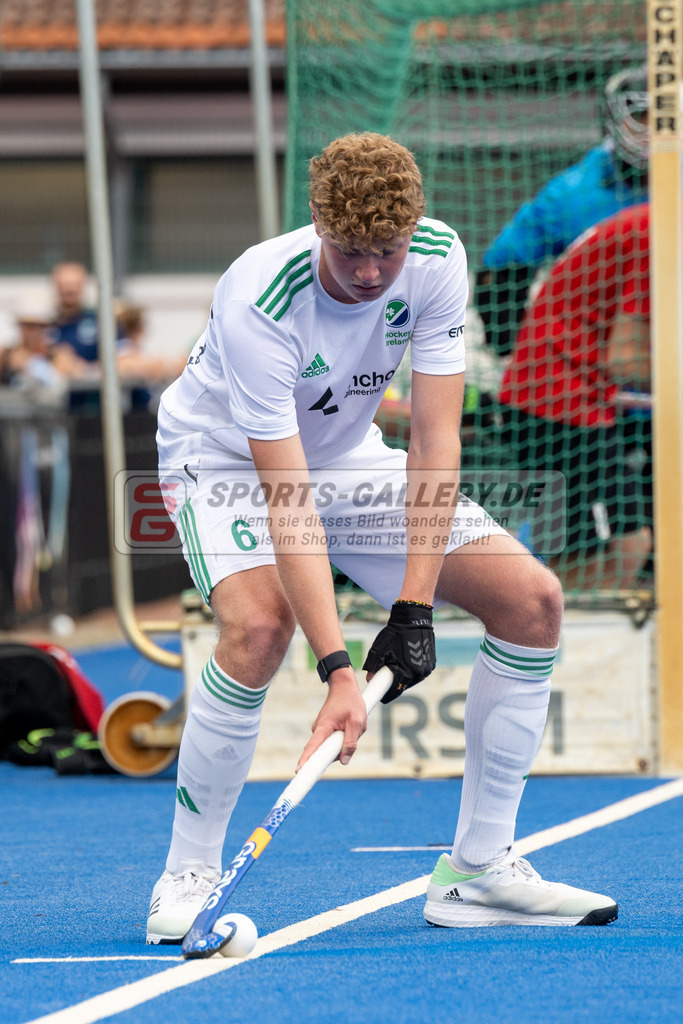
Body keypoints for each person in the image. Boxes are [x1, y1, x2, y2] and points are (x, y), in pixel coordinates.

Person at [148, 132, 617, 943]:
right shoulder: (260, 295)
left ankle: (475, 871)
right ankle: (186, 878)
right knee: (260, 628)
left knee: (533, 603)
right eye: (352, 252)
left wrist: (413, 610)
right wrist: (337, 669)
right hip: (223, 458)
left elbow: (435, 446)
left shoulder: (436, 259)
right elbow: (286, 497)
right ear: (318, 226)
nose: (370, 273)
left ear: (415, 230)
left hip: (347, 456)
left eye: (387, 252)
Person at [498, 202, 652, 591]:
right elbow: (625, 360)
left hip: (554, 394)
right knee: (627, 545)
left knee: (588, 549)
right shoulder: (656, 234)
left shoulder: (646, 222)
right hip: (557, 400)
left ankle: (534, 622)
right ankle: (530, 623)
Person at [476, 65, 649, 359]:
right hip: (601, 362)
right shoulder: (572, 194)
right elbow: (500, 270)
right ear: (614, 120)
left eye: (661, 119)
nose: (650, 130)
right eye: (639, 118)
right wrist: (516, 353)